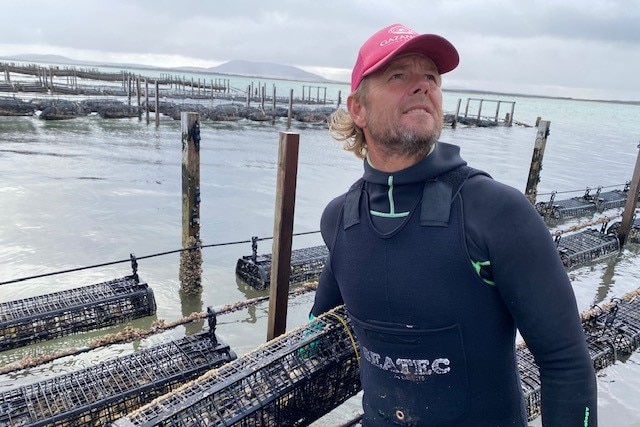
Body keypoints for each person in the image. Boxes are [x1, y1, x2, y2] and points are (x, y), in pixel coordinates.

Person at [311, 23, 597, 426]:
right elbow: (318, 332)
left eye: (431, 77)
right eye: (398, 76)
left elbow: (565, 363)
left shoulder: (495, 213)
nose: (422, 86)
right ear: (357, 108)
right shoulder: (340, 219)